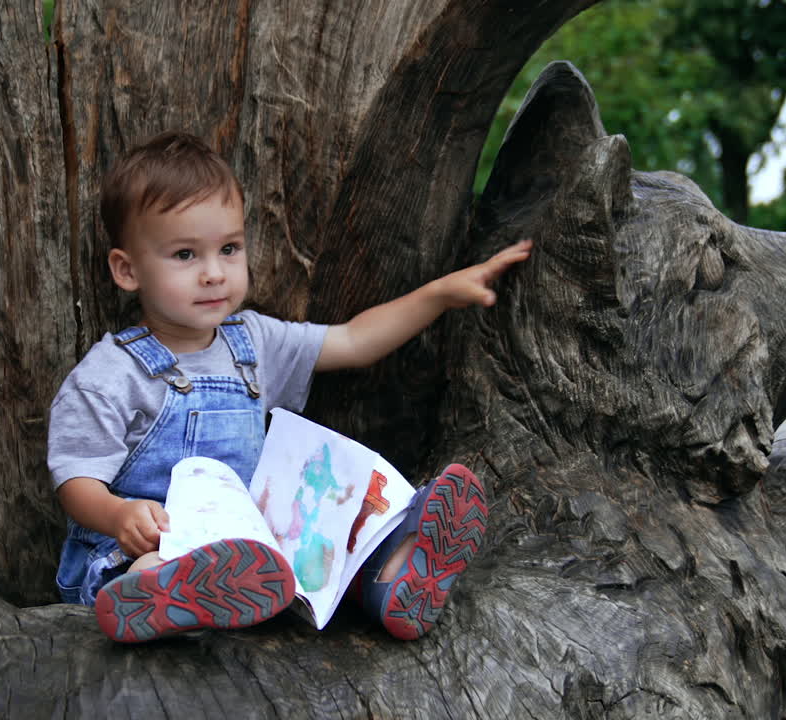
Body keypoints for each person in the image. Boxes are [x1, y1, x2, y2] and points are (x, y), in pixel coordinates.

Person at [48, 131, 531, 643]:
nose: (215, 273)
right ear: (127, 270)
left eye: (229, 249)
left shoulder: (253, 341)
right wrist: (119, 513)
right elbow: (74, 479)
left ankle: (399, 579)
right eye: (185, 255)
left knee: (347, 539)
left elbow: (354, 340)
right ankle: (163, 594)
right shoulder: (113, 373)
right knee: (155, 560)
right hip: (148, 545)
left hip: (253, 552)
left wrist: (439, 295)